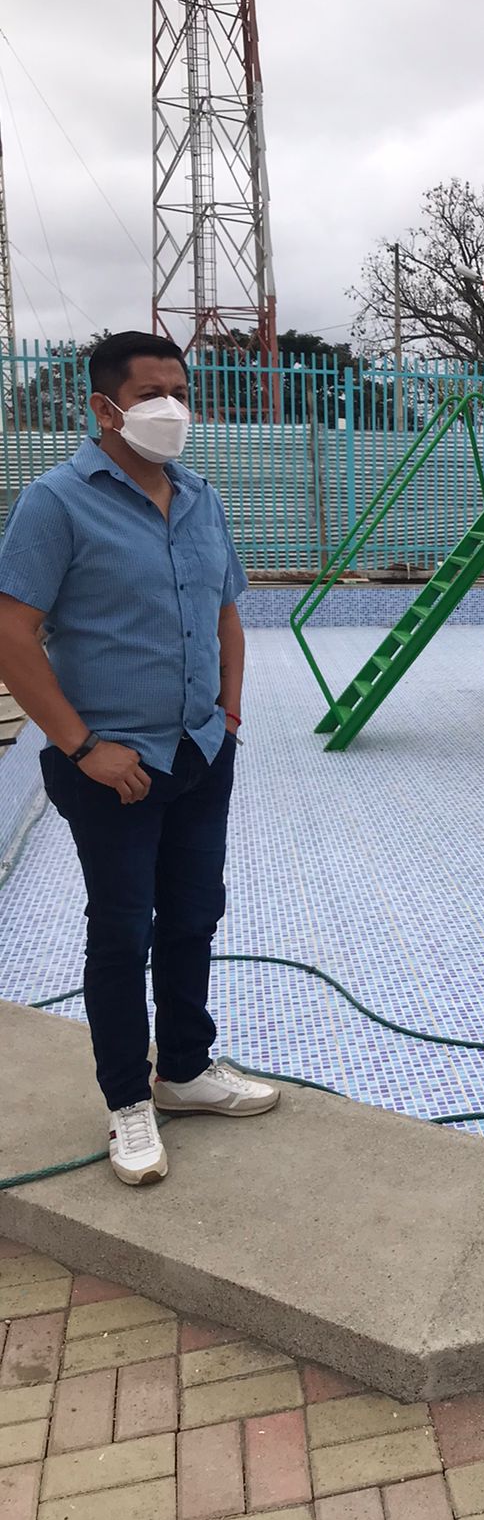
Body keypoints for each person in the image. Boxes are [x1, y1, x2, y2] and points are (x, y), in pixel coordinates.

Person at [0, 331, 278, 1185]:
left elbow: (226, 611)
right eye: (152, 394)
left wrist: (229, 711)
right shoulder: (57, 503)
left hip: (199, 750)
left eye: (180, 393)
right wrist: (82, 746)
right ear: (105, 408)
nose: (172, 410)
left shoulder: (200, 497)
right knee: (123, 933)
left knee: (195, 914)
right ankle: (127, 1101)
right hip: (111, 767)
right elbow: (11, 633)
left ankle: (184, 1070)